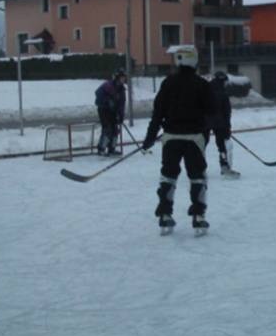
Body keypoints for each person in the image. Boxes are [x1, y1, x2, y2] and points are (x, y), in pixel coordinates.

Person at [142, 45, 215, 234]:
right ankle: (199, 217)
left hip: (171, 138)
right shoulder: (202, 84)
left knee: (168, 175)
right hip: (194, 138)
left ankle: (165, 215)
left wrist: (150, 137)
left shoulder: (168, 83)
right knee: (197, 177)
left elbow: (157, 113)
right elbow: (211, 114)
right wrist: (205, 135)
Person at [207, 71, 241, 178]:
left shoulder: (206, 89)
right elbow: (227, 112)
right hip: (220, 124)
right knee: (223, 146)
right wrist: (227, 128)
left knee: (200, 145)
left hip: (204, 122)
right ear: (223, 80)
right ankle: (225, 167)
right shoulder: (222, 93)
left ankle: (198, 168)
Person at [94, 68, 126, 156]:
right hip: (103, 109)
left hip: (113, 111)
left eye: (124, 78)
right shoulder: (108, 85)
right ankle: (101, 148)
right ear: (117, 78)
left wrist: (121, 116)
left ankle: (112, 149)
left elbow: (122, 104)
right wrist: (107, 100)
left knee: (115, 129)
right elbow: (97, 93)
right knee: (107, 129)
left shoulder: (122, 90)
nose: (124, 79)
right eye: (122, 77)